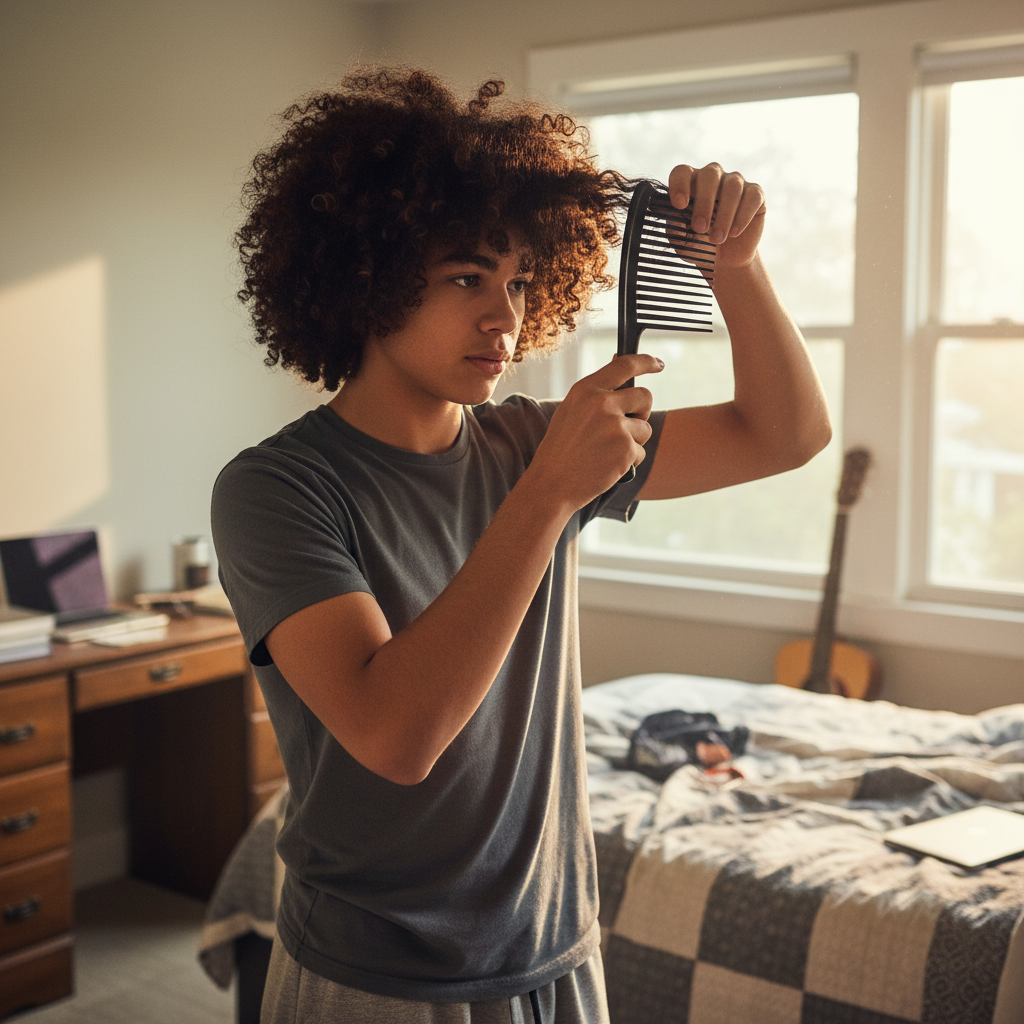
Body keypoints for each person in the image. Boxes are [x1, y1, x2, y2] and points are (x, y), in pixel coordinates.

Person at [211, 65, 831, 1024]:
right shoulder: (277, 489)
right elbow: (396, 736)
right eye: (467, 277)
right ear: (364, 274)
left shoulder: (530, 441)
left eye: (522, 282)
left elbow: (782, 433)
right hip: (377, 973)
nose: (505, 318)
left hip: (555, 945)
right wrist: (548, 496)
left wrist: (736, 266)